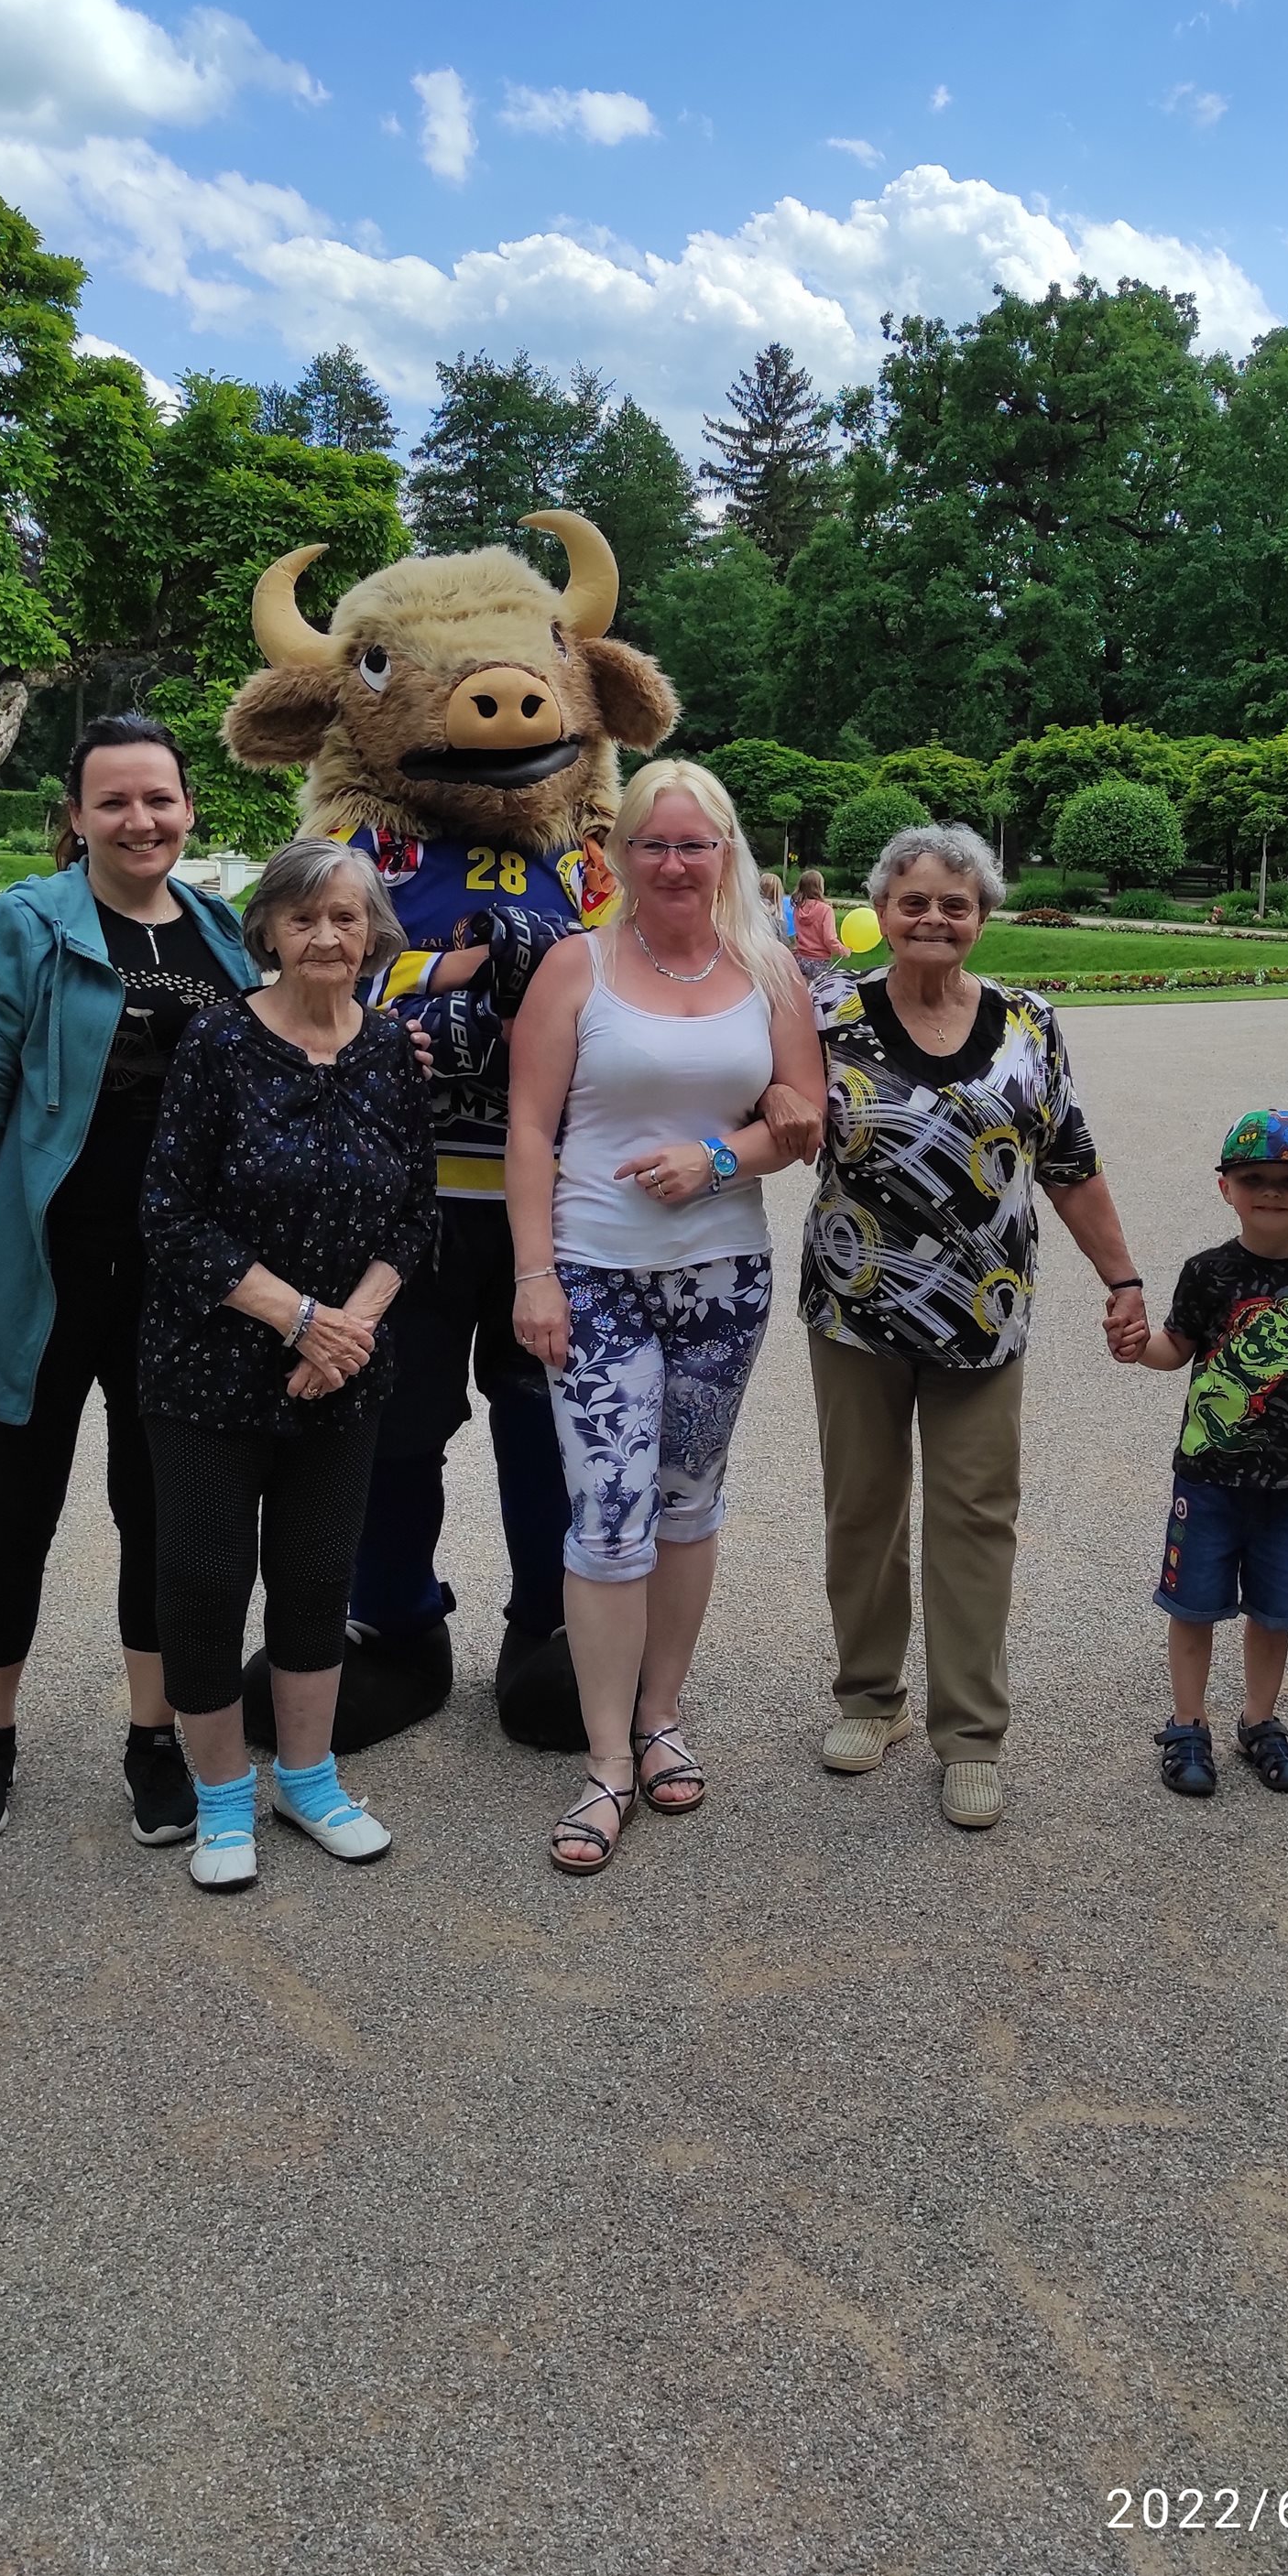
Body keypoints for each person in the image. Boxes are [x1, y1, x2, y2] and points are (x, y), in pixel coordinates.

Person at [0, 718, 259, 1847]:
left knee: (158, 1510)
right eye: (114, 800)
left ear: (188, 809)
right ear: (76, 816)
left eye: (159, 798)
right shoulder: (33, 923)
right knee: (16, 1504)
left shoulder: (222, 935)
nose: (140, 819)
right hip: (43, 1269)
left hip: (177, 1285)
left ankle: (152, 1734)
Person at [508, 760, 825, 1875]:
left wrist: (718, 1157)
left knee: (688, 1503)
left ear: (726, 851)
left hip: (722, 1278)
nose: (677, 863)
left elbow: (807, 1117)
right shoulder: (576, 965)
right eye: (655, 843)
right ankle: (605, 1760)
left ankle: (660, 1716)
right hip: (595, 1272)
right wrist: (533, 1274)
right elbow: (530, 1129)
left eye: (696, 844)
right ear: (620, 855)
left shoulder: (769, 969)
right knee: (609, 1511)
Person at [801, 822, 1147, 1831]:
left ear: (982, 917)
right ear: (881, 910)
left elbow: (1069, 1162)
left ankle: (970, 1734)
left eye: (956, 904)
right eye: (913, 901)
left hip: (983, 1315)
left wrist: (1122, 1276)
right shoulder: (826, 1012)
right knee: (862, 1509)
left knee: (976, 1515)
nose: (934, 919)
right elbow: (767, 1115)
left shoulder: (1030, 1021)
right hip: (855, 1309)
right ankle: (872, 1697)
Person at [138, 838, 435, 1892]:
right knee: (205, 1580)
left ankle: (309, 1778)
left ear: (373, 933)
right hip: (210, 1366)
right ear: (266, 928)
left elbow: (415, 1212)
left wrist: (347, 1329)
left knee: (315, 1577)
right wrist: (302, 1319)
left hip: (344, 1369)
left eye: (346, 917)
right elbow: (170, 1215)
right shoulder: (220, 1038)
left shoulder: (391, 1048)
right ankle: (223, 1796)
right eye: (303, 917)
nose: (325, 936)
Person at [1138, 1110, 1288, 1800]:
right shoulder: (1207, 1272)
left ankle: (1259, 1720)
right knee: (1192, 1606)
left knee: (1275, 1612)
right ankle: (1188, 1723)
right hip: (1209, 1476)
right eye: (1253, 1179)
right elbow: (1175, 1348)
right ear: (1226, 1188)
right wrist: (1135, 1344)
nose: (1271, 1191)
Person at [791, 867, 844, 977]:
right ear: (819, 887)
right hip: (820, 962)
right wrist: (842, 950)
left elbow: (798, 934)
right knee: (821, 987)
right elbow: (829, 939)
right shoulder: (826, 910)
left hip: (800, 960)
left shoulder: (798, 908)